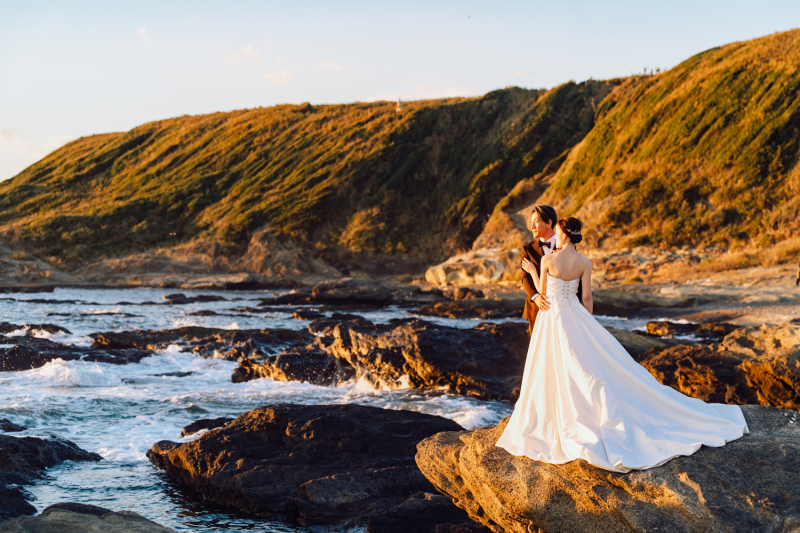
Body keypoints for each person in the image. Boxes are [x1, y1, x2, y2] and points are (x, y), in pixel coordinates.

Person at [496, 217, 748, 473]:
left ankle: (556, 414)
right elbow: (586, 297)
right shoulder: (585, 263)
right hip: (576, 314)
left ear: (565, 235)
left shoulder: (548, 260)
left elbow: (543, 292)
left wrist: (532, 272)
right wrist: (587, 324)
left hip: (553, 317)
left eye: (559, 233)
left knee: (556, 366)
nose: (557, 237)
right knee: (584, 364)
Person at [520, 205, 558, 335]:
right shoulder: (528, 249)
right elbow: (525, 277)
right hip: (535, 309)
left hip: (560, 308)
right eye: (531, 223)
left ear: (548, 222)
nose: (532, 227)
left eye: (536, 222)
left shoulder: (565, 245)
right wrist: (536, 297)